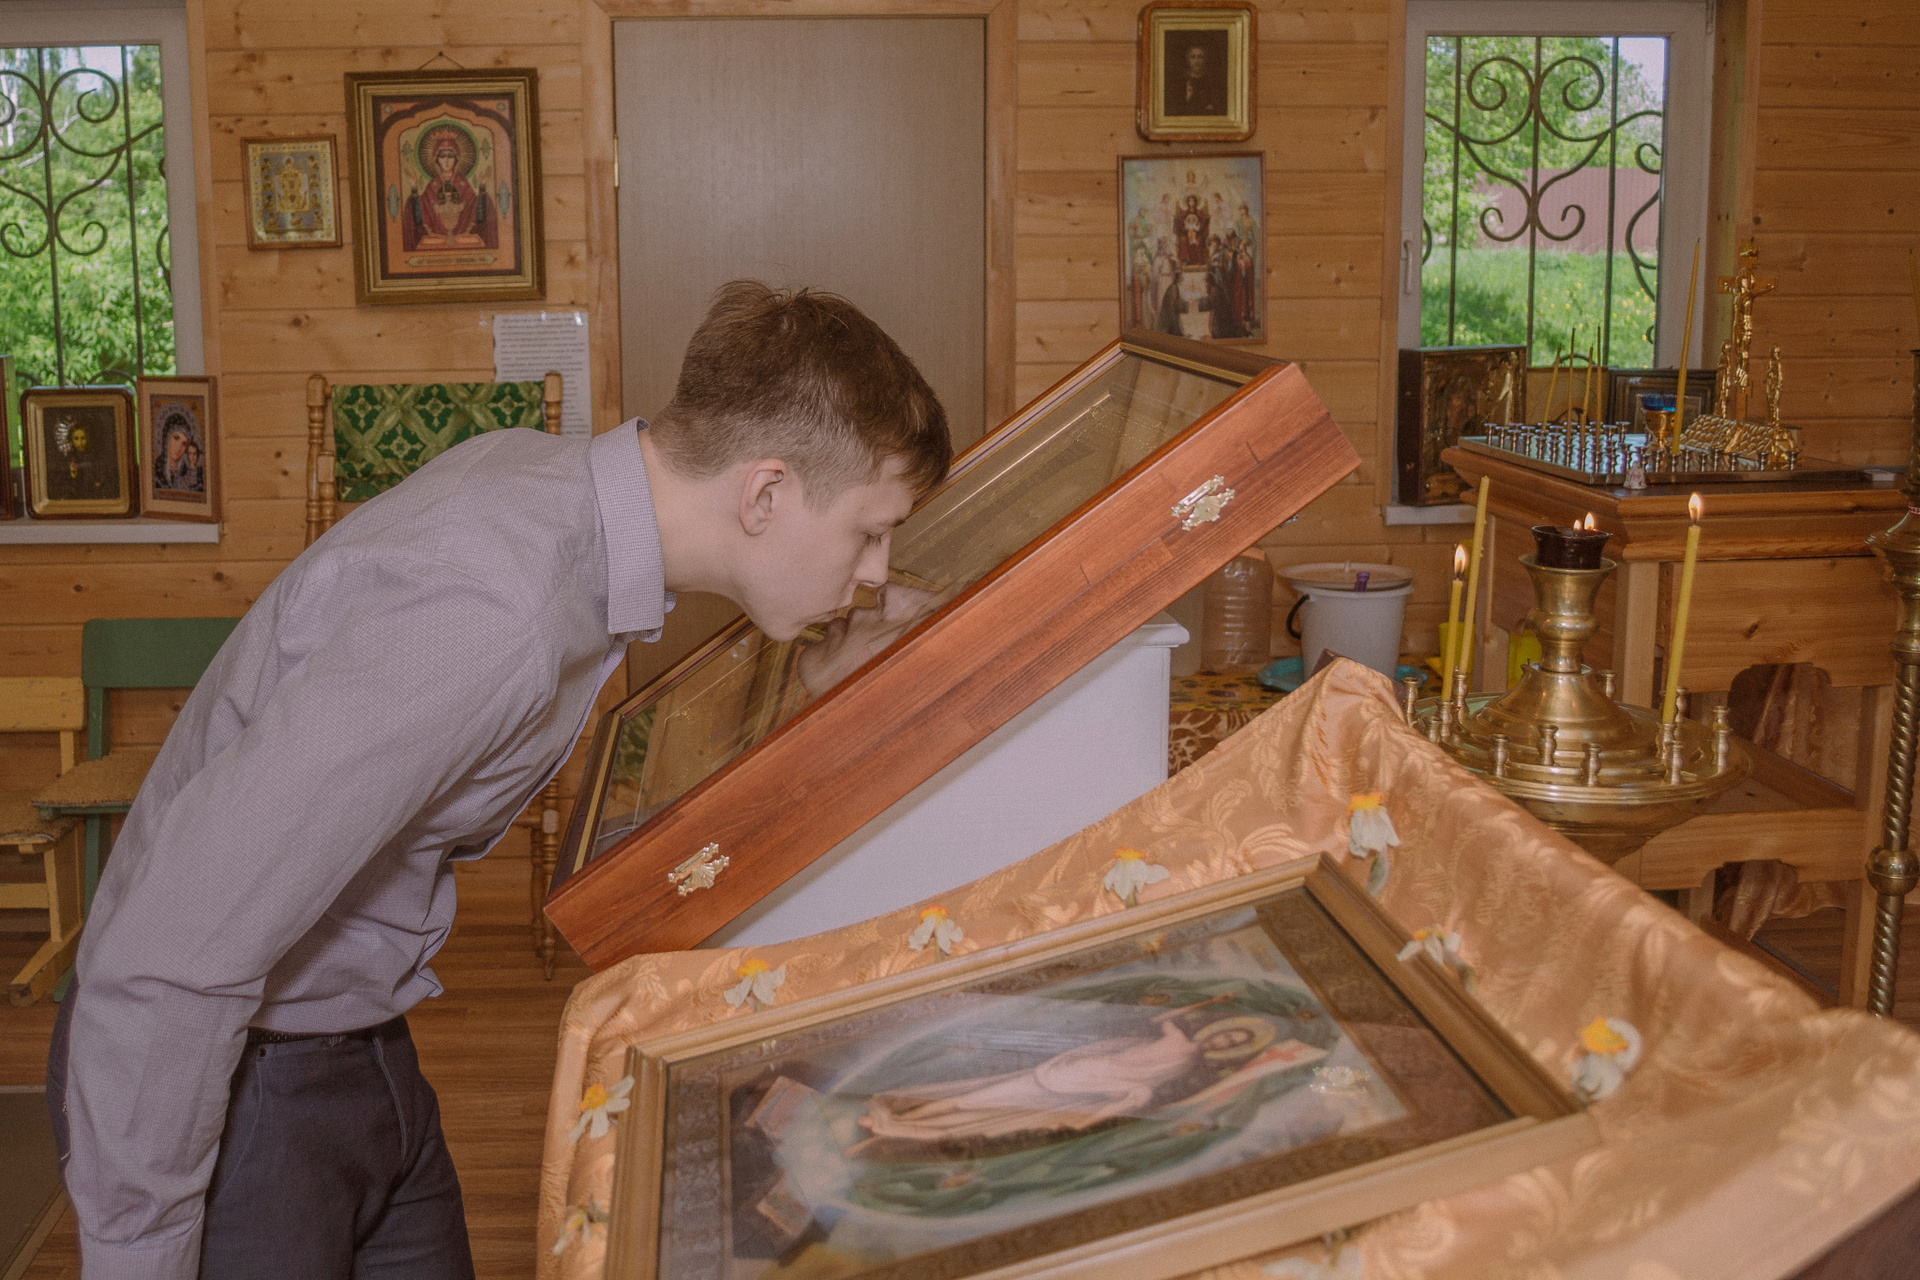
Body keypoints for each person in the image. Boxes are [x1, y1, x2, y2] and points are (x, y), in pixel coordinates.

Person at [48, 281, 951, 1280]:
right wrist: (138, 1252)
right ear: (765, 493)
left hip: (353, 1037)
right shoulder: (492, 612)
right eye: (870, 530)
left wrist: (811, 699)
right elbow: (170, 952)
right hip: (223, 1071)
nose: (878, 570)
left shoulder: (553, 495)